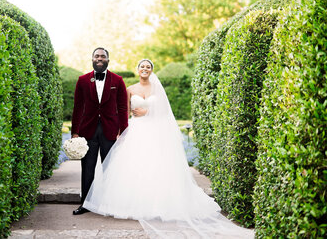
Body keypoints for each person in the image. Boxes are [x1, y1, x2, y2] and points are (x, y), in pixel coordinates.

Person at [83, 59, 254, 238]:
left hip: (155, 131)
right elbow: (124, 111)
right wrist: (120, 131)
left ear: (151, 70)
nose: (145, 69)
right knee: (136, 166)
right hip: (136, 131)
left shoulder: (157, 89)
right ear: (137, 69)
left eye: (148, 67)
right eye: (142, 66)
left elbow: (164, 112)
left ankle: (160, 203)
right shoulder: (130, 89)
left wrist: (147, 112)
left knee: (157, 166)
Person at [71, 47, 128, 215]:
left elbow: (123, 107)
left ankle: (111, 206)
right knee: (87, 169)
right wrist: (75, 132)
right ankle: (85, 205)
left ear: (108, 60)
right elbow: (78, 108)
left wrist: (123, 131)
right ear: (92, 59)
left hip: (110, 131)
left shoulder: (118, 80)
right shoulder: (82, 80)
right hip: (87, 131)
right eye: (97, 56)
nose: (100, 58)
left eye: (103, 56)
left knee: (109, 169)